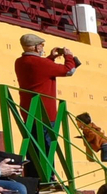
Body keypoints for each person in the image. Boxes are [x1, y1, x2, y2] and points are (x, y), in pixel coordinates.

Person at [13, 34, 78, 180]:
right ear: (37, 47)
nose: (43, 48)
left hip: (28, 110)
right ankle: (48, 177)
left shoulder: (20, 62)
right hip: (45, 113)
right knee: (48, 146)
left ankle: (33, 178)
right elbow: (69, 70)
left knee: (33, 145)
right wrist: (69, 56)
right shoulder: (40, 63)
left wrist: (50, 58)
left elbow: (39, 71)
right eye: (41, 46)